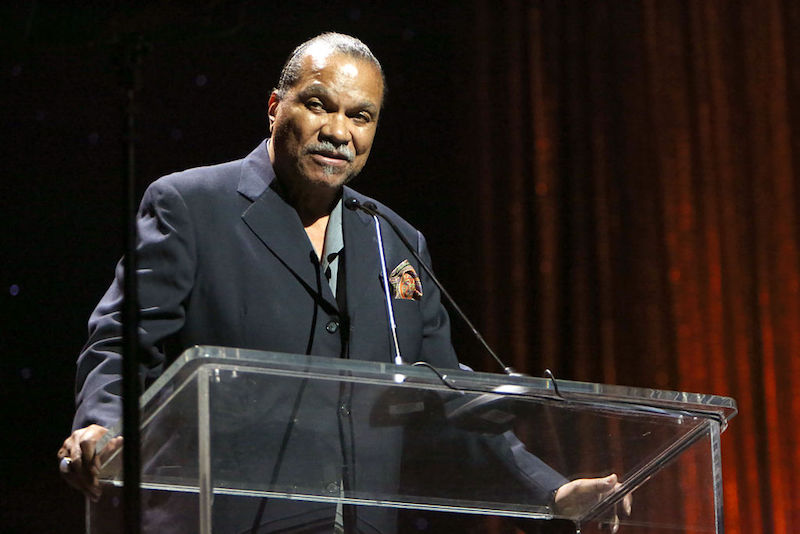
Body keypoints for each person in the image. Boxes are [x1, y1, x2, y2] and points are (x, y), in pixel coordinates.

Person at [57, 32, 630, 532]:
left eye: (360, 116)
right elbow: (121, 342)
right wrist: (102, 428)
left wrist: (551, 492)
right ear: (275, 107)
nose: (338, 132)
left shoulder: (396, 241)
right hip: (223, 518)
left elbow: (448, 402)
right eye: (318, 105)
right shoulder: (191, 205)